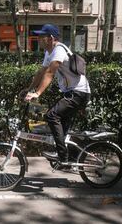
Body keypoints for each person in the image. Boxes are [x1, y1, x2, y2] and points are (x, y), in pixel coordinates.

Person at [21, 24, 91, 161]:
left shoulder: (58, 50)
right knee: (62, 123)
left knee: (52, 116)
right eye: (38, 36)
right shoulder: (49, 52)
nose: (38, 39)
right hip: (71, 92)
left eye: (41, 36)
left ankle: (62, 155)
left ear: (51, 38)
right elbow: (41, 72)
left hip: (78, 92)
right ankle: (71, 155)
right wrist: (29, 89)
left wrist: (37, 93)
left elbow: (50, 73)